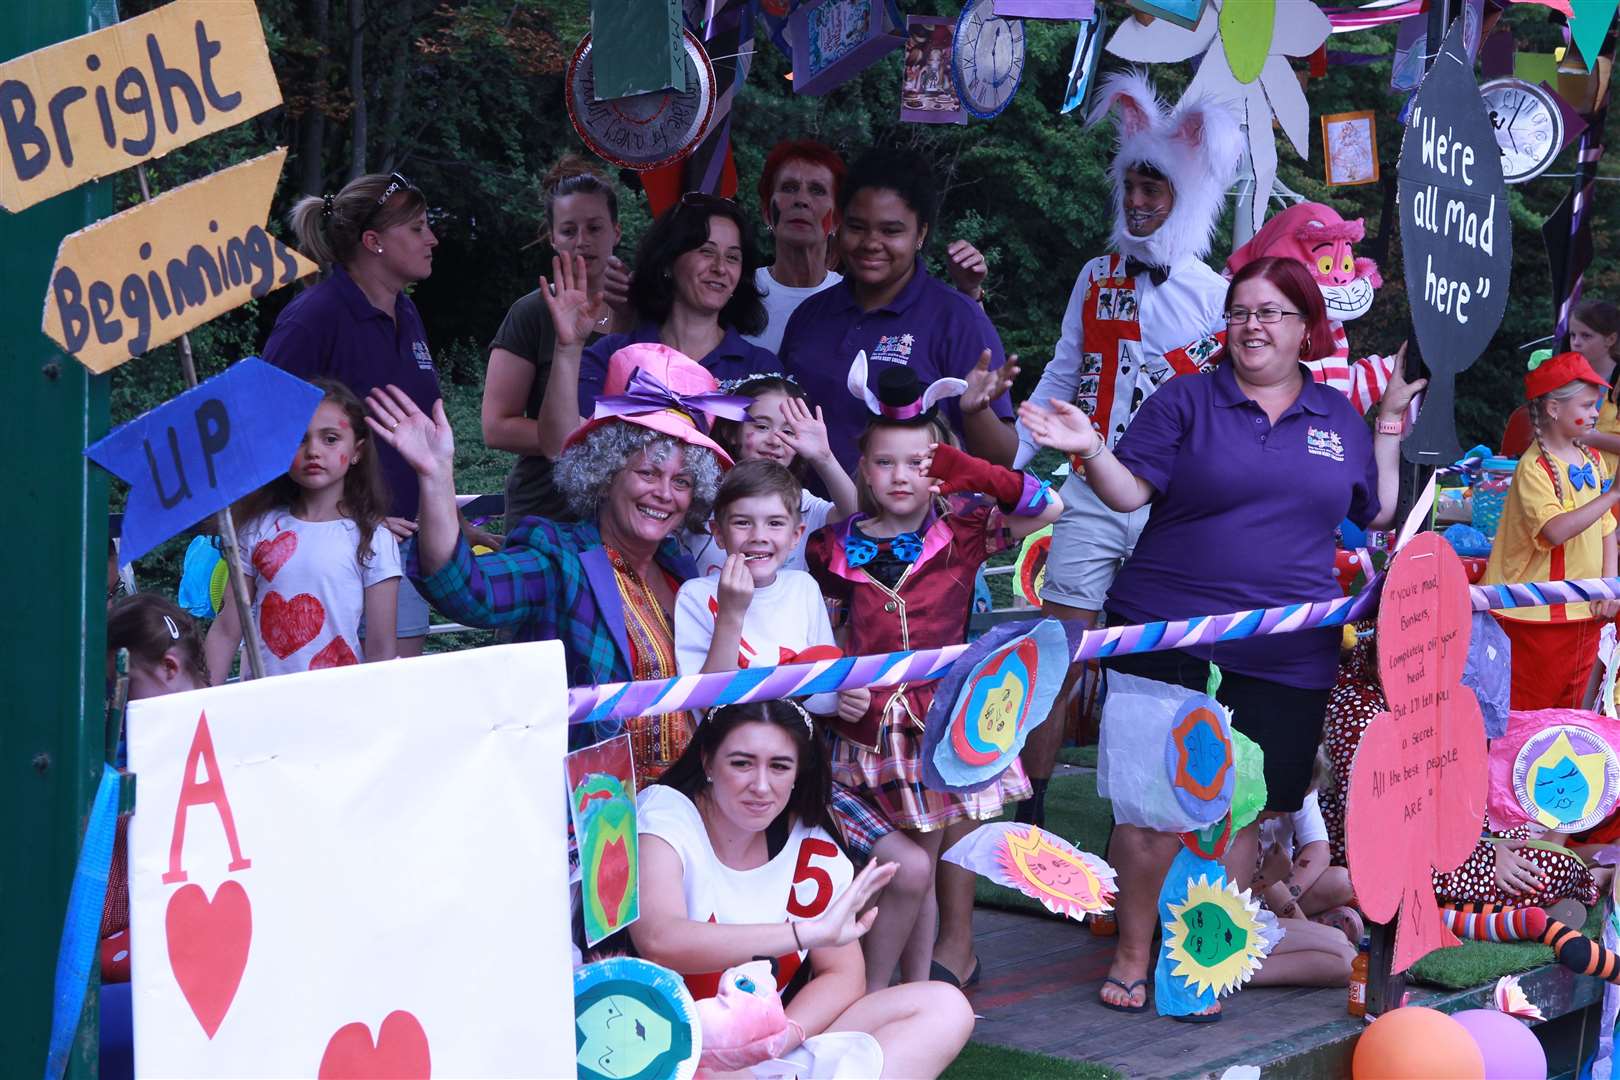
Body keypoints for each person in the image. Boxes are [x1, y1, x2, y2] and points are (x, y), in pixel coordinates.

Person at [1020, 255, 1419, 1016]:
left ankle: (1188, 955)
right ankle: (1134, 951)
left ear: (1307, 327)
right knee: (1151, 806)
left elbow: (1376, 511)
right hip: (1173, 638)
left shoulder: (1335, 416)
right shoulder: (1185, 400)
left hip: (1287, 654)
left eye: (1271, 313)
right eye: (1240, 312)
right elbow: (1128, 490)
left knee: (1244, 814)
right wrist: (1087, 445)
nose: (1252, 326)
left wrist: (1392, 417)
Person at [1012, 70, 1241, 830]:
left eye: (1156, 190)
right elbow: (1063, 366)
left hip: (1172, 507)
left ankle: (1143, 820)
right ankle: (1032, 813)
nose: (1140, 203)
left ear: (1188, 198)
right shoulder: (1096, 275)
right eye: (1132, 188)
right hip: (1088, 494)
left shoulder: (1217, 293)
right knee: (1058, 649)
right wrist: (1016, 461)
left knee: (1158, 666)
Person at [369, 343, 738, 781]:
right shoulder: (559, 556)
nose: (665, 493)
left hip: (689, 799)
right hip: (595, 814)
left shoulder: (681, 568)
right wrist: (436, 477)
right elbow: (466, 591)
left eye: (682, 481)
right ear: (605, 473)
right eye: (647, 473)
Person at [808, 366, 1063, 990]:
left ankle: (910, 989)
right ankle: (878, 991)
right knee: (907, 865)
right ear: (864, 468)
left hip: (940, 724)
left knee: (929, 857)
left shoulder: (962, 530)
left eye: (918, 464)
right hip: (869, 728)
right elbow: (830, 632)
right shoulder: (833, 547)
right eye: (886, 463)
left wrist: (966, 468)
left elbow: (1048, 504)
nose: (901, 477)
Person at [673, 459, 934, 992]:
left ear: (796, 535)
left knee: (911, 869)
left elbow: (820, 691)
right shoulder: (697, 597)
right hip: (735, 780)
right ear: (717, 530)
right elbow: (708, 705)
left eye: (773, 524)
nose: (757, 536)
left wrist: (847, 697)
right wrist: (733, 612)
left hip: (809, 774)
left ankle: (871, 992)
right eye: (742, 522)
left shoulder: (803, 590)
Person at [631, 700, 974, 1078]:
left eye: (779, 766)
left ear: (798, 773)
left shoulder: (812, 840)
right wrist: (802, 933)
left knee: (944, 1006)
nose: (761, 786)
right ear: (708, 761)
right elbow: (660, 938)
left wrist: (773, 1042)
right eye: (741, 763)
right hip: (662, 1046)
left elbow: (843, 976)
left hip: (768, 1051)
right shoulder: (664, 815)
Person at [267, 172, 441, 657]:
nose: (433, 239)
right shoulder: (313, 318)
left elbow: (417, 435)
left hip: (401, 549)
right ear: (374, 242)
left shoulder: (407, 314)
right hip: (329, 559)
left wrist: (445, 515)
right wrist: (350, 514)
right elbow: (264, 433)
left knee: (394, 711)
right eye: (419, 227)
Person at [778, 148, 1018, 473]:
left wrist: (975, 413)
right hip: (803, 519)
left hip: (914, 522)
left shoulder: (957, 319)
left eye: (891, 231)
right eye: (857, 227)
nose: (871, 243)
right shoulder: (810, 315)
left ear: (920, 234)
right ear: (839, 224)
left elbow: (1004, 460)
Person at [537, 195, 780, 453]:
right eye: (706, 251)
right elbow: (558, 449)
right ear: (668, 261)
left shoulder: (760, 368)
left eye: (732, 258)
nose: (720, 268)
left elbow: (775, 471)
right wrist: (569, 347)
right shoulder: (612, 355)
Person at [205, 380, 400, 682]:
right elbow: (227, 628)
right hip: (263, 707)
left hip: (339, 708)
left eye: (331, 439)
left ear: (357, 450)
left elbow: (381, 648)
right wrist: (197, 707)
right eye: (299, 439)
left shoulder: (373, 539)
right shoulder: (257, 530)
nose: (313, 451)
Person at [482, 156, 631, 525]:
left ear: (617, 231)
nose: (582, 242)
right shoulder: (531, 313)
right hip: (547, 516)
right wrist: (581, 432)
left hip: (630, 519)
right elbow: (496, 426)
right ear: (552, 238)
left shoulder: (646, 309)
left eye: (595, 228)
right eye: (569, 231)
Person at [101, 594, 212, 1080]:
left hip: (175, 973)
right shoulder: (133, 752)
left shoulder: (237, 748)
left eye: (122, 688)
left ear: (169, 667)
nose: (115, 705)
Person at [749, 139, 992, 354]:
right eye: (789, 188)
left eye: (817, 190)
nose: (801, 200)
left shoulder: (861, 294)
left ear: (838, 217)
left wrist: (970, 292)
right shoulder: (739, 292)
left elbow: (977, 365)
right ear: (765, 210)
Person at [1482, 351, 1620, 710]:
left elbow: (1607, 529)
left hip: (1581, 611)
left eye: (1597, 405)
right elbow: (1556, 531)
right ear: (1554, 410)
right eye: (1588, 405)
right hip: (1537, 614)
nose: (1595, 413)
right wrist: (1614, 495)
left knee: (1570, 714)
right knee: (1530, 714)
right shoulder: (1535, 468)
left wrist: (1609, 586)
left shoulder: (1590, 458)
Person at [685, 374, 859, 576]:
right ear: (731, 432)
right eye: (761, 427)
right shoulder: (699, 495)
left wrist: (824, 458)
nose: (775, 440)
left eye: (788, 431)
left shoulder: (801, 503)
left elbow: (858, 518)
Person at [1504, 300, 1620, 464]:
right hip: (1567, 479)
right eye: (1573, 335)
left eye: (1586, 335)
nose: (1576, 342)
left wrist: (1595, 439)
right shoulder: (1564, 379)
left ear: (1611, 339)